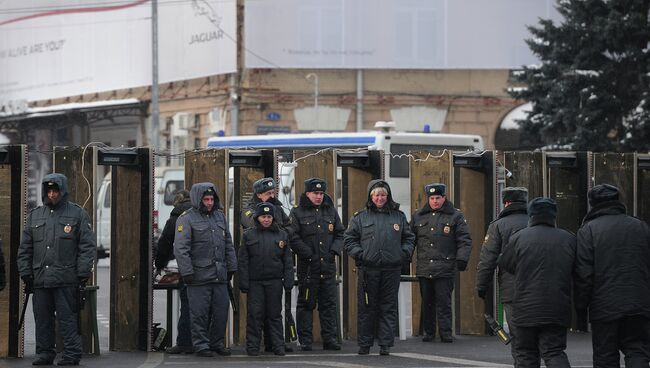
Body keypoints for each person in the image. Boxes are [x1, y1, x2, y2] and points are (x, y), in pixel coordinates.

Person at [17, 173, 96, 366]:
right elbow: (25, 248)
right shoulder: (35, 215)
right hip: (41, 279)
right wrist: (25, 272)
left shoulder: (77, 214)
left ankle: (71, 354)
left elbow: (87, 246)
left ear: (63, 191)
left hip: (66, 278)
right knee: (42, 319)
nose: (52, 194)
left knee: (68, 319)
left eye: (55, 191)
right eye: (49, 191)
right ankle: (45, 353)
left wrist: (83, 273)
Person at [574, 184, 650, 367]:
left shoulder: (588, 230)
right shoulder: (640, 227)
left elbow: (584, 274)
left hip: (604, 307)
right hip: (639, 304)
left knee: (605, 356)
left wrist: (581, 308)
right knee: (637, 350)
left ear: (593, 204)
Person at [499, 197, 576, 368]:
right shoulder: (568, 238)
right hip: (556, 307)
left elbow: (506, 264)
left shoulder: (519, 238)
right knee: (554, 351)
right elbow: (577, 270)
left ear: (531, 215)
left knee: (526, 353)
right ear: (553, 216)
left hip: (525, 307)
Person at [344, 179, 414, 356]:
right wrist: (360, 254)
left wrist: (402, 253)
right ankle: (365, 344)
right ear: (370, 196)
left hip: (391, 269)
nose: (380, 198)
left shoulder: (398, 216)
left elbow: (409, 238)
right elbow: (349, 239)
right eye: (376, 195)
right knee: (367, 307)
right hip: (368, 270)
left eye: (383, 195)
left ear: (388, 196)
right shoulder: (360, 217)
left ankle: (385, 344)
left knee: (388, 307)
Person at [174, 182, 237, 357]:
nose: (209, 203)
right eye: (206, 199)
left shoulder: (219, 217)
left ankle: (216, 343)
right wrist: (187, 272)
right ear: (198, 199)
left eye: (211, 199)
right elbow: (181, 249)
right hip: (198, 277)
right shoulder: (186, 219)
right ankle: (201, 345)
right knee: (199, 315)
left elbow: (228, 244)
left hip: (219, 276)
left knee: (221, 312)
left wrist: (232, 266)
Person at [288, 178, 345, 351]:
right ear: (307, 194)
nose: (319, 196)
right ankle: (305, 340)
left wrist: (334, 251)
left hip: (327, 266)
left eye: (321, 193)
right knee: (306, 304)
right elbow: (293, 236)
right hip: (308, 268)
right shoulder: (297, 212)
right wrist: (307, 253)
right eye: (315, 193)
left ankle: (330, 338)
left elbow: (340, 234)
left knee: (328, 305)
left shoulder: (331, 211)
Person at [410, 183, 472, 343]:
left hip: (445, 267)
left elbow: (464, 240)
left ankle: (445, 333)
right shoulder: (418, 216)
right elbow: (410, 240)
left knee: (444, 302)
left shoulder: (455, 216)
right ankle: (428, 333)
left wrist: (462, 258)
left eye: (438, 198)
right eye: (432, 198)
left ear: (444, 197)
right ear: (428, 199)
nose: (435, 201)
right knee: (427, 302)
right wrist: (405, 258)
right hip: (424, 267)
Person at [476, 186, 528, 362]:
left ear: (506, 203)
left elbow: (487, 260)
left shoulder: (498, 226)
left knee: (519, 338)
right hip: (541, 290)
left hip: (511, 290)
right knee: (544, 340)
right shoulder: (537, 222)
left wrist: (481, 286)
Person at [240, 177, 291, 352]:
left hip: (274, 277)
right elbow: (249, 224)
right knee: (255, 314)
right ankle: (253, 346)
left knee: (274, 314)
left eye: (273, 192)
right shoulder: (250, 212)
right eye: (268, 193)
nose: (272, 195)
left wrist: (279, 228)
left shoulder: (277, 208)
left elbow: (288, 228)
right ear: (259, 194)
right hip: (256, 278)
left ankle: (276, 344)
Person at [154, 190, 193, 354]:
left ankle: (185, 343)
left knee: (187, 307)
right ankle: (207, 343)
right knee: (205, 308)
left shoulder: (175, 218)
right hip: (209, 270)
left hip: (187, 271)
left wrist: (159, 265)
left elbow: (165, 246)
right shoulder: (202, 215)